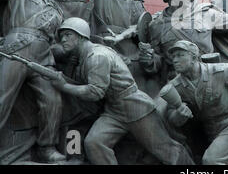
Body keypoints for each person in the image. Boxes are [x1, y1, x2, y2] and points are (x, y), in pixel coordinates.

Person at [47, 18, 194, 165]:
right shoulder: (84, 57)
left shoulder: (97, 57)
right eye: (62, 36)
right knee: (95, 143)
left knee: (166, 150)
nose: (63, 40)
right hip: (114, 110)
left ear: (81, 36)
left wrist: (63, 86)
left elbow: (95, 92)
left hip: (134, 107)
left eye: (68, 35)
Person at [0, 0, 66, 163]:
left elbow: (58, 41)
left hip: (44, 57)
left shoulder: (59, 12)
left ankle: (46, 147)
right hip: (17, 48)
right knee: (2, 97)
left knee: (53, 101)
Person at [163, 40, 228, 165]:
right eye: (173, 56)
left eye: (180, 55)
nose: (175, 60)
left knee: (211, 160)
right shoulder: (175, 86)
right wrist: (179, 115)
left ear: (194, 57)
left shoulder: (220, 71)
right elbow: (171, 117)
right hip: (211, 131)